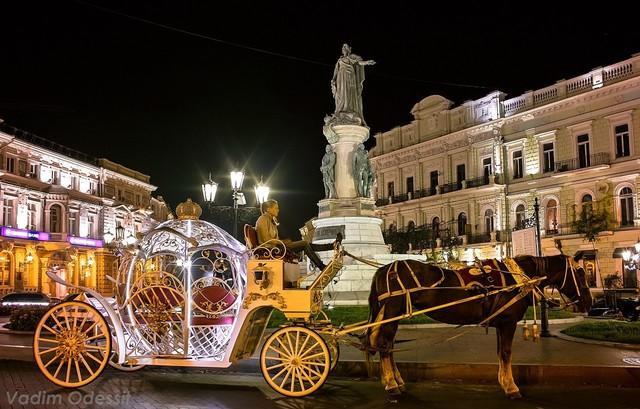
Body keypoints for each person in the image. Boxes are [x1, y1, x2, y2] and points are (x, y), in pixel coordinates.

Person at [255, 199, 337, 271]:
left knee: (306, 244)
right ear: (269, 209)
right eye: (276, 208)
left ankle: (331, 246)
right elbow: (266, 240)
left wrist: (283, 241)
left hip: (277, 247)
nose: (278, 210)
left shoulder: (270, 220)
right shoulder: (263, 219)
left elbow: (273, 239)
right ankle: (321, 265)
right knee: (304, 244)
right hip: (272, 249)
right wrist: (282, 242)